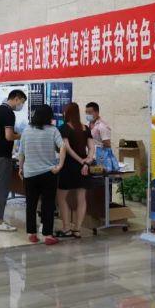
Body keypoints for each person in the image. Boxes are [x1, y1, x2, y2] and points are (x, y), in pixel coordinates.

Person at [19, 104, 66, 245]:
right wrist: (60, 165)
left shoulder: (27, 130)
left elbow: (21, 152)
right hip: (48, 173)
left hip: (30, 173)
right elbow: (63, 147)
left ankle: (32, 233)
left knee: (31, 204)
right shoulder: (53, 130)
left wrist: (21, 168)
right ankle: (48, 235)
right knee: (48, 204)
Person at [0, 89, 27, 232]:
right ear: (16, 98)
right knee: (2, 189)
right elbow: (9, 136)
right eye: (21, 102)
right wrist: (22, 135)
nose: (21, 105)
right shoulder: (8, 113)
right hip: (2, 156)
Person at [56, 102, 95, 239]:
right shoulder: (85, 128)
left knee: (61, 197)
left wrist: (81, 161)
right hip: (84, 167)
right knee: (81, 198)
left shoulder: (63, 128)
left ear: (66, 113)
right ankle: (77, 229)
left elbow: (67, 148)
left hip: (68, 166)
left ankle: (66, 228)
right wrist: (87, 161)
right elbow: (92, 148)